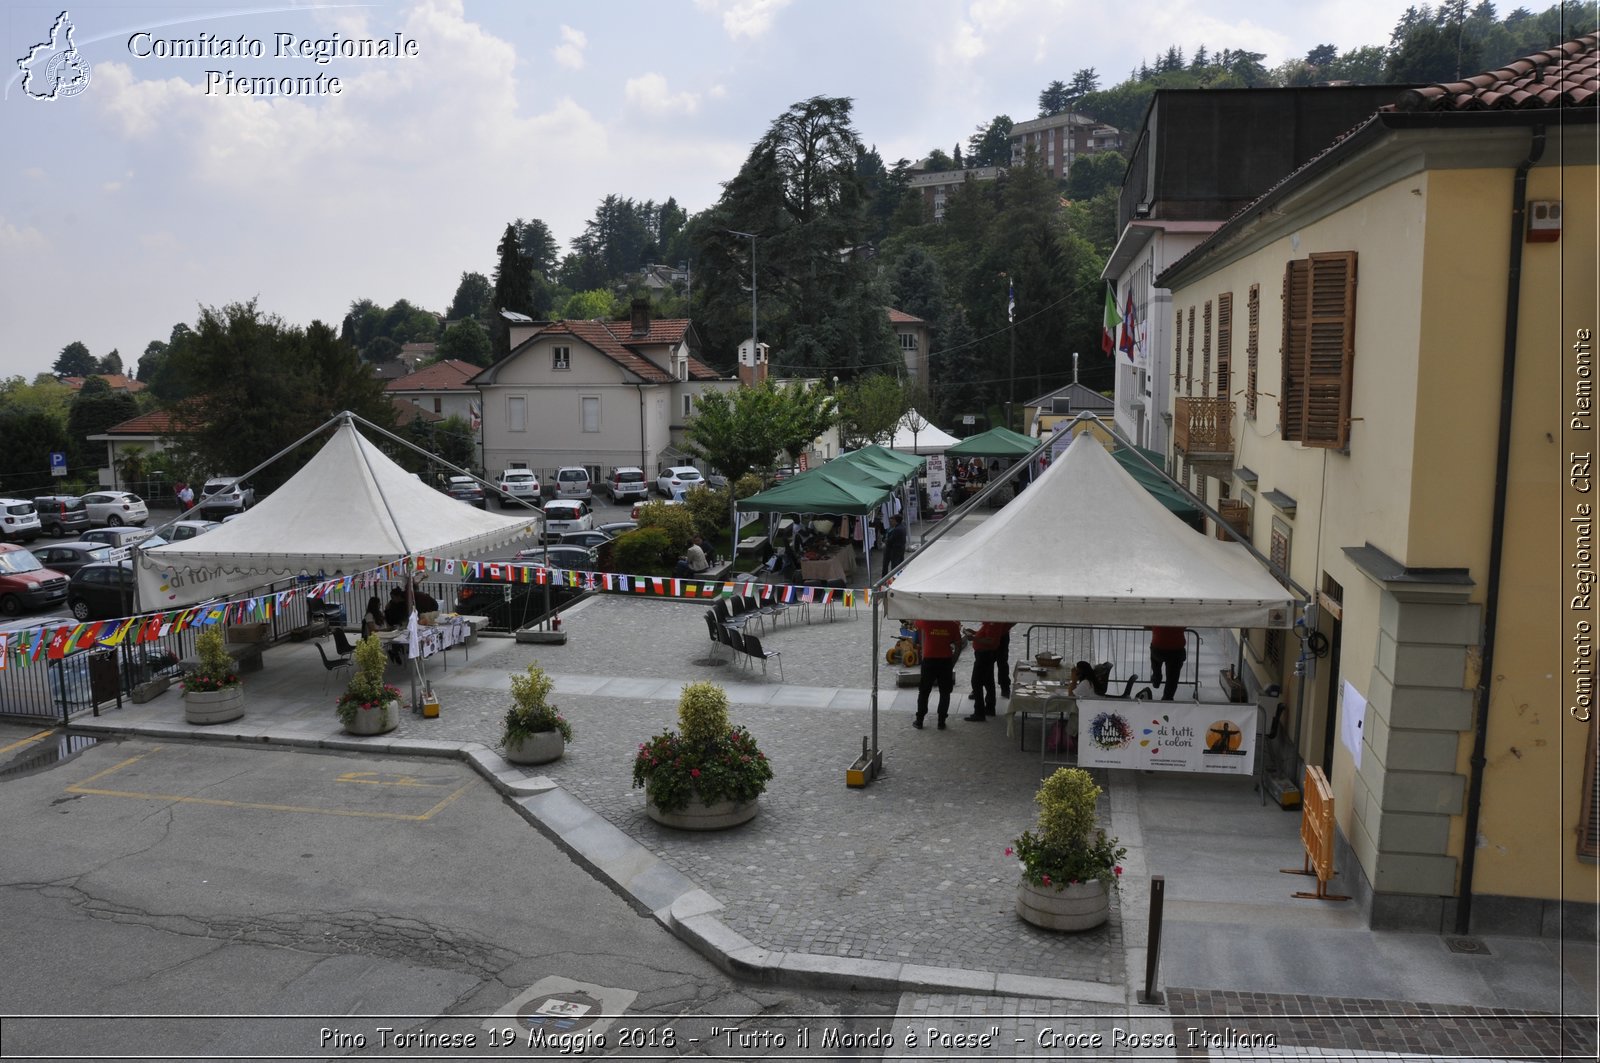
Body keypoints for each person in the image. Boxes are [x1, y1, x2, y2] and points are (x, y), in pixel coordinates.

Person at [913, 618, 962, 730]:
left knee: (924, 691)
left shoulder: (926, 621)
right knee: (945, 692)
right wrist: (952, 662)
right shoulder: (952, 625)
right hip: (945, 661)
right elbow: (958, 646)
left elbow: (915, 621)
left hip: (929, 660)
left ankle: (919, 720)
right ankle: (941, 721)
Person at [963, 621, 1014, 722]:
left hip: (984, 655)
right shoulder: (990, 623)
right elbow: (989, 635)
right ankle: (990, 708)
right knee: (988, 681)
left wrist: (974, 638)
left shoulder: (993, 623)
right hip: (986, 654)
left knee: (976, 682)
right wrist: (975, 633)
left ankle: (979, 712)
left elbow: (991, 640)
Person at [1147, 625, 1187, 701]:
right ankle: (1167, 698)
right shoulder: (1180, 616)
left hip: (1158, 647)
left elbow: (1146, 626)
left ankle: (1156, 677)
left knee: (1155, 658)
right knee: (1173, 677)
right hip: (1176, 649)